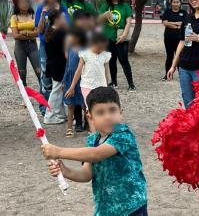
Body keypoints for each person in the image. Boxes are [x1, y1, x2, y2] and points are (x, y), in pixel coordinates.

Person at [41, 86, 148, 216]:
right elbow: (87, 174)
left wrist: (59, 152)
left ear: (121, 112)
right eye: (100, 112)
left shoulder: (123, 135)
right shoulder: (92, 140)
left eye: (112, 110)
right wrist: (66, 171)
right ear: (90, 117)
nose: (108, 117)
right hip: (105, 210)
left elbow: (96, 154)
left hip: (132, 208)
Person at [35, 0, 70, 116]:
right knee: (45, 77)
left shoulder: (63, 8)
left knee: (60, 77)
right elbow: (39, 30)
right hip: (46, 46)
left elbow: (68, 28)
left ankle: (57, 110)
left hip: (61, 45)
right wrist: (44, 12)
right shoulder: (41, 8)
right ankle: (45, 108)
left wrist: (60, 12)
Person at [65, 33, 111, 132]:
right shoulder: (84, 54)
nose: (100, 50)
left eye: (102, 48)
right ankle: (93, 133)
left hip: (101, 86)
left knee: (99, 108)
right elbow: (78, 70)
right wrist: (72, 86)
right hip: (86, 86)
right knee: (90, 109)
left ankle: (97, 128)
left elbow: (107, 72)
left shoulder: (105, 55)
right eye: (98, 47)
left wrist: (107, 86)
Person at [99, 0, 135, 91]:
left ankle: (131, 84)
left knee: (124, 61)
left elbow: (129, 22)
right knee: (111, 61)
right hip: (108, 38)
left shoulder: (125, 6)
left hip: (121, 38)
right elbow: (98, 20)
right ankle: (114, 82)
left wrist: (124, 35)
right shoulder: (105, 5)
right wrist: (104, 15)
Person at [9, 0, 40, 92]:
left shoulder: (34, 16)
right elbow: (15, 35)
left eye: (26, 2)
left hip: (33, 46)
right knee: (22, 73)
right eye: (22, 2)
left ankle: (45, 94)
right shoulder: (14, 18)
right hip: (20, 47)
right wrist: (31, 33)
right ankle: (25, 97)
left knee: (39, 71)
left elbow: (37, 33)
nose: (25, 4)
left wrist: (24, 32)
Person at [43, 9, 68, 124]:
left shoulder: (50, 30)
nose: (65, 20)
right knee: (57, 90)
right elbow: (65, 51)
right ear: (57, 20)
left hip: (53, 65)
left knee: (59, 90)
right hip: (59, 65)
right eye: (63, 18)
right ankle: (50, 116)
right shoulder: (60, 33)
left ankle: (60, 114)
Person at [62, 27, 87, 137]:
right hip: (70, 80)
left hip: (82, 80)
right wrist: (64, 81)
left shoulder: (85, 49)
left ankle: (89, 124)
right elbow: (67, 66)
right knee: (70, 105)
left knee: (85, 104)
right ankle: (69, 128)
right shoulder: (70, 48)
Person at [161, 0, 187, 80]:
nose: (175, 4)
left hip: (180, 39)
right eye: (174, 2)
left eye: (177, 2)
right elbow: (165, 23)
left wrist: (171, 23)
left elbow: (183, 23)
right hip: (168, 38)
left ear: (180, 3)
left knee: (179, 56)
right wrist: (177, 25)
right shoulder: (167, 12)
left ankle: (181, 75)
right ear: (171, 3)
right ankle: (167, 75)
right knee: (169, 56)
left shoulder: (184, 12)